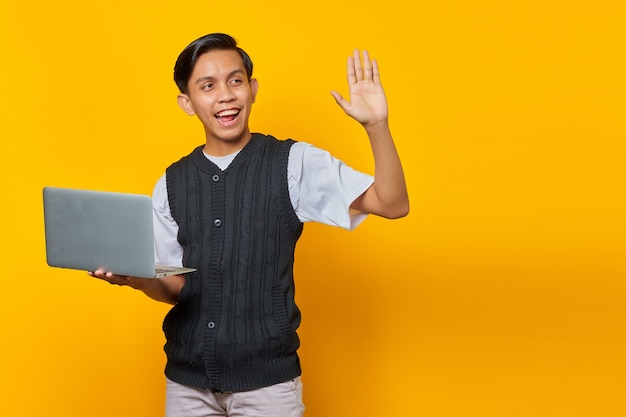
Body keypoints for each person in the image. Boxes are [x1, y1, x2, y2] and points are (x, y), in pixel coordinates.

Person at [90, 33, 409, 417]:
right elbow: (177, 287)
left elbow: (391, 203)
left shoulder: (292, 163)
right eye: (208, 86)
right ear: (187, 103)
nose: (225, 94)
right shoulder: (171, 183)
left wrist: (377, 125)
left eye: (235, 80)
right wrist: (135, 279)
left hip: (268, 387)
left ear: (253, 89)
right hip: (186, 385)